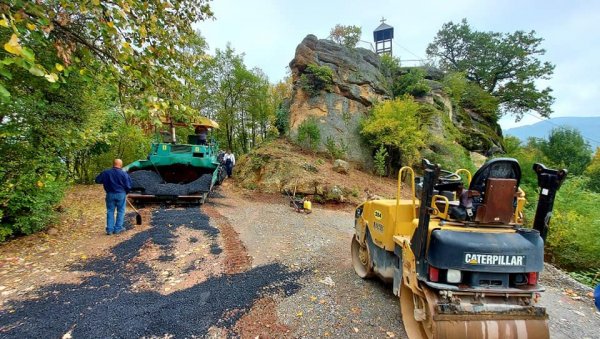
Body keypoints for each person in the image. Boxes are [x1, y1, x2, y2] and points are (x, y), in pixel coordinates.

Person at [95, 159, 132, 235]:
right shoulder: (124, 174)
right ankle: (118, 229)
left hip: (110, 194)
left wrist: (106, 181)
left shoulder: (106, 173)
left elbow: (97, 180)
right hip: (121, 194)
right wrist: (126, 192)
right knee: (121, 211)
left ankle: (109, 230)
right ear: (121, 165)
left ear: (113, 164)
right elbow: (128, 186)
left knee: (110, 211)